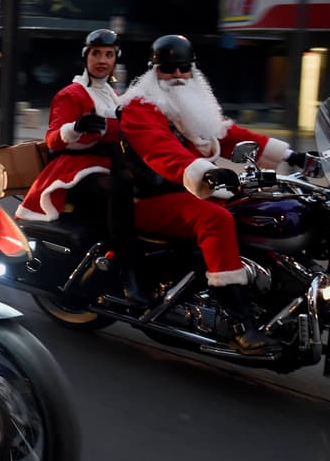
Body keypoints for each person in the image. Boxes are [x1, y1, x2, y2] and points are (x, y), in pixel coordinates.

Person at [118, 34, 310, 355]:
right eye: (168, 69)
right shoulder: (140, 106)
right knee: (216, 220)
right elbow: (160, 150)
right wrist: (204, 171)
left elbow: (230, 134)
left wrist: (293, 156)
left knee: (263, 210)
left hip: (189, 192)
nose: (177, 76)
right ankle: (240, 326)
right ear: (154, 70)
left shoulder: (192, 103)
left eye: (183, 68)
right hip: (149, 199)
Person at [16, 29, 121, 224]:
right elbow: (52, 139)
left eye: (109, 54)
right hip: (77, 167)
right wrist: (75, 128)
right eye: (96, 53)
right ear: (85, 56)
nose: (102, 60)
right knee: (117, 188)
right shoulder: (71, 94)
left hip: (110, 161)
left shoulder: (111, 94)